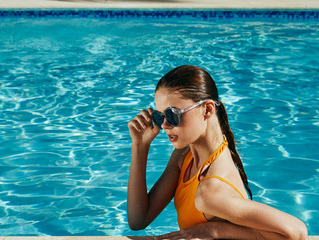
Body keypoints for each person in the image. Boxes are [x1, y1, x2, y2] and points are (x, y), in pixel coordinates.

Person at [127, 65, 308, 239]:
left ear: (207, 109)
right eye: (160, 117)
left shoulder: (211, 192)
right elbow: (138, 220)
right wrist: (140, 146)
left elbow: (296, 232)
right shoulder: (186, 155)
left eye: (173, 115)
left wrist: (213, 229)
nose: (165, 125)